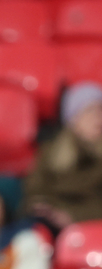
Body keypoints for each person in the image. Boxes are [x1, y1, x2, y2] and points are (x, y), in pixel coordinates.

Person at [23, 81, 102, 227]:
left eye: (101, 110)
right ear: (73, 118)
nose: (98, 117)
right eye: (90, 110)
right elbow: (35, 190)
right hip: (48, 223)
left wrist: (72, 216)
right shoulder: (51, 152)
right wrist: (44, 208)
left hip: (89, 228)